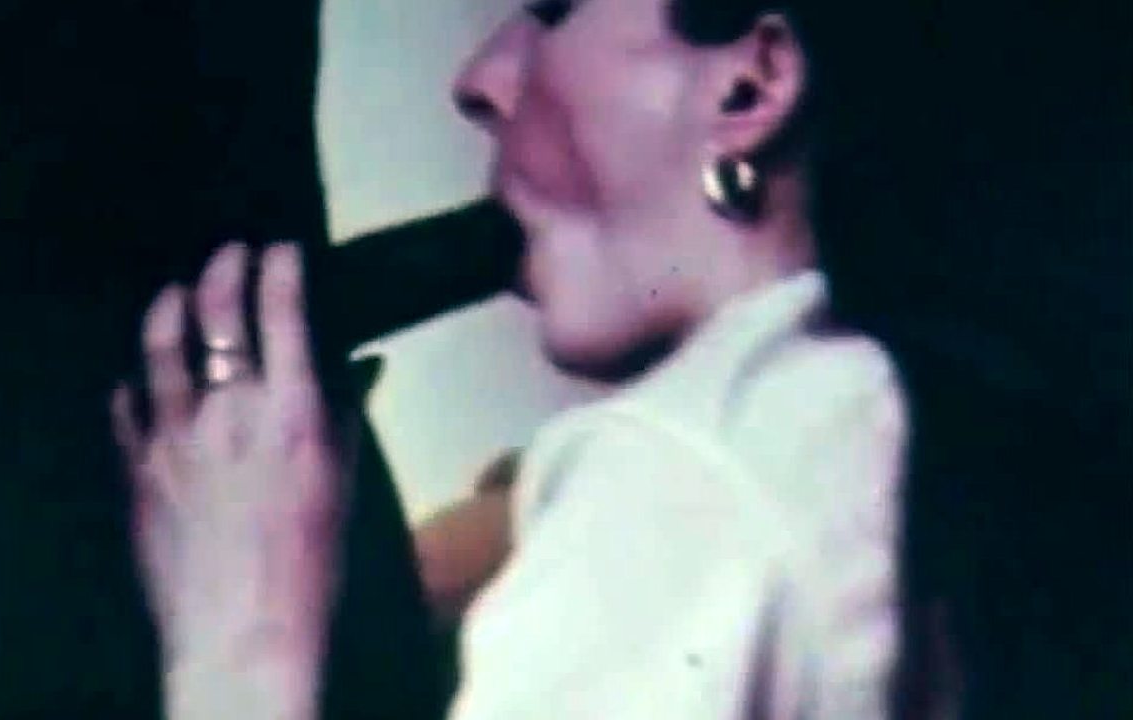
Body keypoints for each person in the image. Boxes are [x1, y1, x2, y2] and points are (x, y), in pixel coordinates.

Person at [110, 0, 920, 717]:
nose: (479, 80)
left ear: (753, 84)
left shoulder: (672, 472)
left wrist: (240, 647)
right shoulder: (886, 416)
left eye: (556, 8)